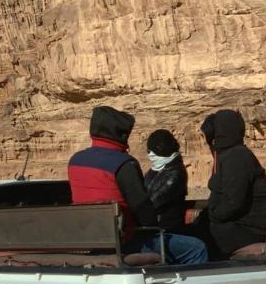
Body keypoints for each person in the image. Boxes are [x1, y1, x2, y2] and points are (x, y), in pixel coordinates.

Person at [68, 106, 207, 265]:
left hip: (93, 240)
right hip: (127, 241)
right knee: (197, 248)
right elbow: (143, 209)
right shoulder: (124, 164)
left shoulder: (75, 161)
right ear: (121, 135)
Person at [202, 109, 266, 257]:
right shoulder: (228, 155)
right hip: (233, 226)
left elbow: (233, 202)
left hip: (245, 230)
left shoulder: (237, 157)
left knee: (192, 244)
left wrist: (213, 216)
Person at [144, 129, 188, 232]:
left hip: (167, 229)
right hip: (152, 226)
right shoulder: (155, 169)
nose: (150, 154)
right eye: (149, 151)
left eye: (154, 151)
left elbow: (156, 200)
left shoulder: (176, 173)